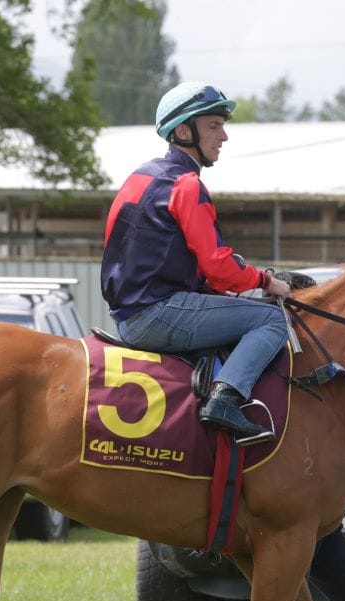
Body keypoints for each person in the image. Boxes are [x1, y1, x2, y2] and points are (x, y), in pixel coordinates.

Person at [100, 81, 292, 443]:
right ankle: (225, 400)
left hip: (129, 311)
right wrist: (266, 282)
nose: (224, 136)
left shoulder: (142, 175)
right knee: (271, 319)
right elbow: (219, 269)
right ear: (184, 131)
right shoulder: (187, 185)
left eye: (223, 125)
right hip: (156, 313)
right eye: (214, 126)